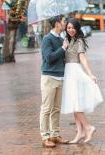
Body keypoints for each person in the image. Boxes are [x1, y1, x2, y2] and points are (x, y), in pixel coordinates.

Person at [61, 18, 103, 144]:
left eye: (73, 27)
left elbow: (83, 58)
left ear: (77, 28)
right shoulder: (67, 40)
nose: (71, 30)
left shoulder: (79, 41)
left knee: (75, 103)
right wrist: (64, 47)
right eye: (68, 28)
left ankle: (88, 127)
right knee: (74, 103)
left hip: (75, 72)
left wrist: (90, 74)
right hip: (68, 72)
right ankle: (80, 132)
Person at [40, 15, 69, 148]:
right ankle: (45, 137)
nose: (65, 23)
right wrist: (63, 48)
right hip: (49, 78)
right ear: (57, 24)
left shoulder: (62, 39)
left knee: (56, 109)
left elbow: (62, 59)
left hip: (60, 77)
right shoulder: (47, 39)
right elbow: (49, 58)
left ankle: (55, 135)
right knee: (46, 109)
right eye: (63, 21)